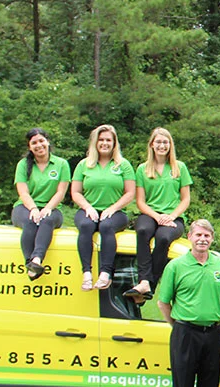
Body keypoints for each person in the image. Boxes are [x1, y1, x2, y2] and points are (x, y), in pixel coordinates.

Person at [156, 219, 220, 387]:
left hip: (212, 334)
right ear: (189, 236)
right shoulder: (176, 266)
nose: (203, 239)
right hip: (185, 333)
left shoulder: (219, 265)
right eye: (198, 235)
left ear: (212, 239)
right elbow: (163, 302)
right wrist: (178, 325)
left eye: (207, 236)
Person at [127, 127, 191, 302]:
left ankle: (148, 285)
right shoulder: (142, 169)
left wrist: (170, 216)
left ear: (170, 145)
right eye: (159, 142)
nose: (162, 145)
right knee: (143, 231)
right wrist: (157, 217)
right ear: (152, 145)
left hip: (174, 216)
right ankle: (144, 280)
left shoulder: (179, 167)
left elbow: (185, 199)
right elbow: (140, 201)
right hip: (150, 213)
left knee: (163, 238)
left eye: (165, 142)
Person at [70, 124, 135, 292]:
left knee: (106, 226)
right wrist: (87, 207)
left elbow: (130, 193)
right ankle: (86, 273)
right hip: (88, 210)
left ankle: (105, 273)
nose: (104, 143)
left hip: (115, 212)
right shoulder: (84, 165)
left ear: (114, 143)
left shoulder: (123, 165)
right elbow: (75, 192)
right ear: (95, 142)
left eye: (108, 140)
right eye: (101, 140)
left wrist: (113, 208)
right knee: (85, 226)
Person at [11, 128, 70, 280]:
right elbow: (23, 192)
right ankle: (30, 265)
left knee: (47, 220)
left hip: (53, 207)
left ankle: (37, 259)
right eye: (34, 143)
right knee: (31, 221)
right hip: (25, 206)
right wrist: (33, 208)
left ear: (48, 142)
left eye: (41, 141)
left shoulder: (61, 164)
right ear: (29, 146)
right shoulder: (23, 165)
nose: (39, 145)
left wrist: (47, 208)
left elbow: (60, 192)